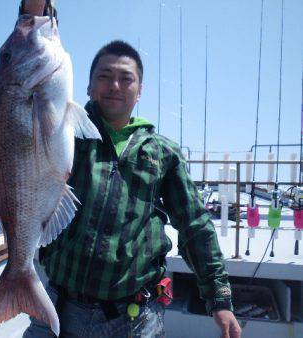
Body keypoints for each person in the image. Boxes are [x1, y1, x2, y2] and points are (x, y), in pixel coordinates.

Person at [20, 2, 242, 337]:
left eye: (127, 79)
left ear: (140, 92)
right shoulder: (64, 132)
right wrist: (35, 11)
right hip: (56, 305)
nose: (115, 86)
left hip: (134, 318)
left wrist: (219, 299)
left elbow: (195, 226)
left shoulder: (163, 153)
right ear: (87, 87)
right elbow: (26, 73)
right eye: (104, 77)